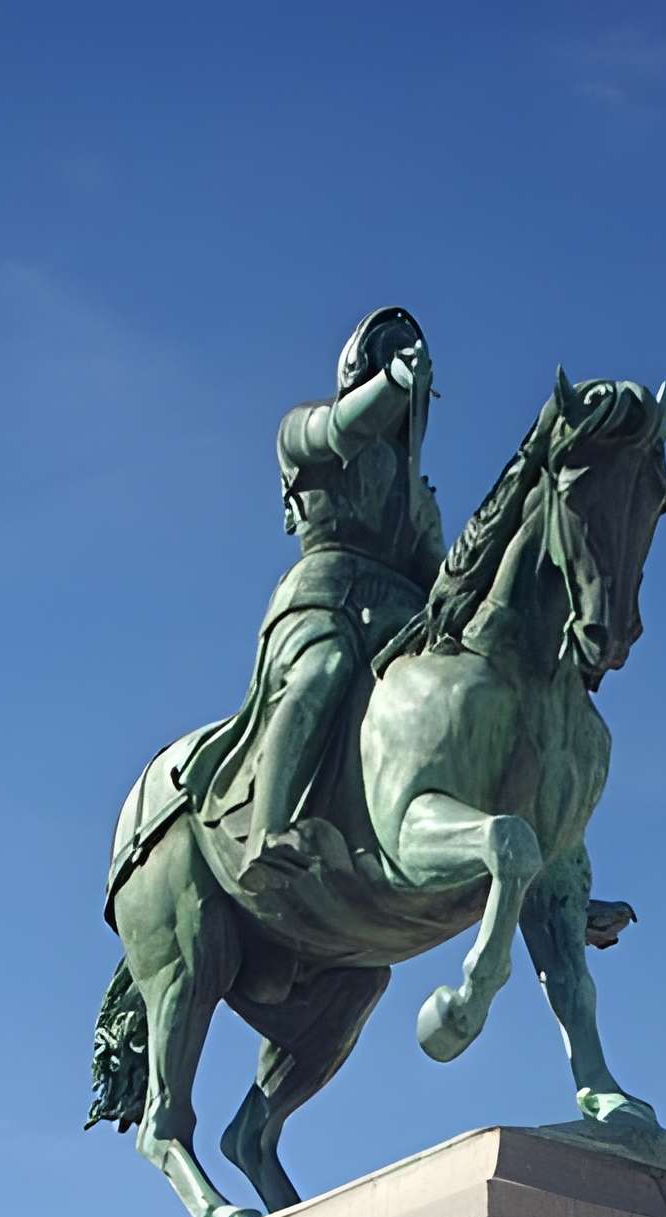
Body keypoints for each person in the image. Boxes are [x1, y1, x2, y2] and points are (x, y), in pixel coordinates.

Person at [177, 308, 445, 891]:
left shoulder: (414, 493)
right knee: (325, 669)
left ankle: (550, 880)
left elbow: (440, 587)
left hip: (401, 620)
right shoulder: (302, 428)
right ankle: (268, 833)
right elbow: (341, 431)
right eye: (389, 362)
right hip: (325, 600)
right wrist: (393, 382)